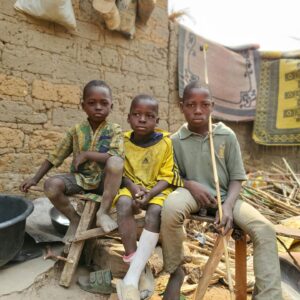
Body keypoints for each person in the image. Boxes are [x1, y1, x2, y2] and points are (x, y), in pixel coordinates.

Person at [161, 81, 283, 300]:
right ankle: (175, 269)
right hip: (192, 195)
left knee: (264, 229)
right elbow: (172, 176)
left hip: (227, 197)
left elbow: (237, 178)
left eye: (204, 104)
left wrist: (227, 206)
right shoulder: (175, 141)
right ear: (181, 107)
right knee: (170, 207)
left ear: (212, 106)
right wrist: (189, 184)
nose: (198, 110)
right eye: (191, 105)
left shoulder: (226, 136)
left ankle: (268, 296)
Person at [20, 80, 124, 242]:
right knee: (51, 186)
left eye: (104, 103)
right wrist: (35, 179)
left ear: (111, 106)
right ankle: (74, 219)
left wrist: (87, 154)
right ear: (83, 106)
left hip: (105, 182)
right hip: (81, 179)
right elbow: (55, 156)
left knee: (116, 161)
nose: (98, 107)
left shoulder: (114, 129)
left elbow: (115, 155)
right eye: (92, 103)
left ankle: (102, 213)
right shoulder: (76, 131)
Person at [115, 94, 183, 300]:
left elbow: (168, 176)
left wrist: (150, 193)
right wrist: (134, 188)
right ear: (128, 118)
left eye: (149, 116)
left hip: (157, 189)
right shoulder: (123, 141)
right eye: (136, 115)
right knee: (123, 203)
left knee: (155, 211)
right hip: (131, 186)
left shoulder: (165, 143)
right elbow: (122, 173)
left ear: (157, 120)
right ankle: (138, 267)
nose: (142, 120)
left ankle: (131, 279)